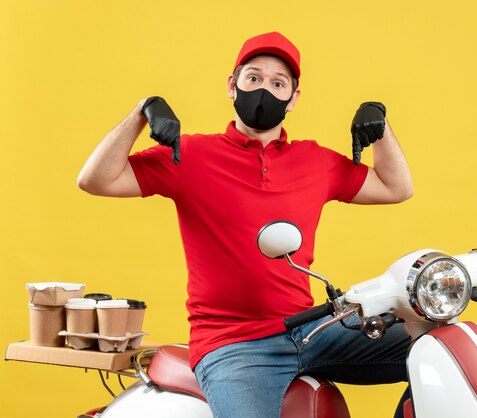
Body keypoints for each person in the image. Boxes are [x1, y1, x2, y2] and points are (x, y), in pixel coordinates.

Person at [78, 31, 414, 418]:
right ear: (232, 85)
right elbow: (95, 180)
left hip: (312, 330)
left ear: (293, 99)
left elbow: (396, 187)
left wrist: (381, 128)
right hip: (234, 344)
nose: (264, 92)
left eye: (278, 83)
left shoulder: (316, 161)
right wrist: (140, 114)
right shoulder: (189, 154)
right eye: (253, 78)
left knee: (438, 347)